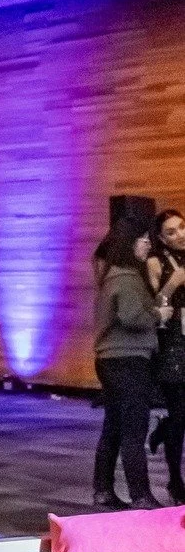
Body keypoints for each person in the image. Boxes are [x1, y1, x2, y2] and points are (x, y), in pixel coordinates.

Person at [93, 218, 159, 509]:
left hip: (111, 359)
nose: (148, 244)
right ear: (130, 244)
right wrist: (159, 316)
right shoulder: (128, 278)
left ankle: (103, 490)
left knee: (114, 428)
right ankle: (141, 495)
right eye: (143, 239)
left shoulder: (112, 275)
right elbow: (133, 318)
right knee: (134, 429)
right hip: (128, 359)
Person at [147, 209, 185, 506]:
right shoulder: (156, 262)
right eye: (171, 232)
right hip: (172, 345)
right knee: (181, 414)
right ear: (161, 238)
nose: (179, 235)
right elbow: (153, 305)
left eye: (182, 227)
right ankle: (175, 481)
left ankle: (164, 425)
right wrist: (173, 284)